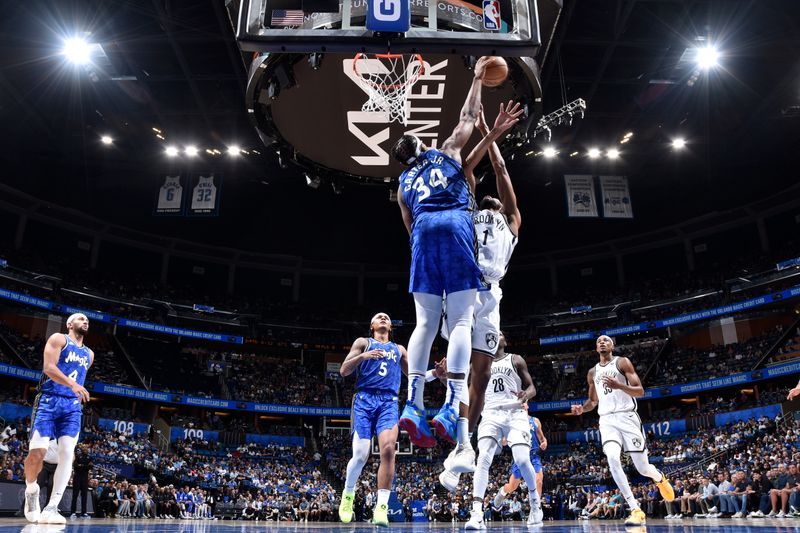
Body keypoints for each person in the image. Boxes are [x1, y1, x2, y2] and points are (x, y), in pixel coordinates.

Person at [393, 55, 524, 454]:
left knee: (424, 324)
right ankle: (452, 404)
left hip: (422, 240)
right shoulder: (446, 151)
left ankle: (413, 404)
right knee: (463, 320)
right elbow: (468, 116)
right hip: (453, 229)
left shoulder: (402, 184)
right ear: (423, 145)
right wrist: (476, 77)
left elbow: (411, 228)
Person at [439, 102, 523, 474]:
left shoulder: (512, 220)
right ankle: (452, 422)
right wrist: (488, 131)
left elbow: (500, 168)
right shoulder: (470, 210)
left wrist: (497, 134)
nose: (490, 195)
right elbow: (466, 169)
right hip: (463, 288)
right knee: (460, 366)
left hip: (492, 297)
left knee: (484, 375)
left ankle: (464, 444)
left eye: (495, 197)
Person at [570, 335, 674, 525]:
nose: (602, 342)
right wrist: (581, 409)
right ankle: (635, 509)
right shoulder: (592, 372)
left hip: (627, 417)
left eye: (606, 340)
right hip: (607, 420)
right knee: (612, 458)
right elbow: (593, 401)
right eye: (599, 341)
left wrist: (619, 385)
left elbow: (640, 391)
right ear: (595, 347)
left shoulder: (622, 362)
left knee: (643, 469)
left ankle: (659, 478)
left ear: (612, 345)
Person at [460, 333, 543, 529]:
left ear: (505, 341)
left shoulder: (515, 359)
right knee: (483, 459)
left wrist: (525, 394)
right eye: (494, 333)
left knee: (523, 460)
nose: (498, 335)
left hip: (515, 413)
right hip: (490, 413)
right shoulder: (479, 365)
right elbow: (466, 392)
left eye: (501, 334)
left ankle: (535, 503)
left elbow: (532, 387)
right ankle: (477, 512)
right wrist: (446, 379)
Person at [337, 313, 412, 527]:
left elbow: (415, 375)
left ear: (390, 326)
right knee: (360, 455)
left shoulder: (399, 349)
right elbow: (343, 371)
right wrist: (363, 357)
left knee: (388, 450)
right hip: (364, 399)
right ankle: (348, 495)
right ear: (372, 325)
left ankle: (381, 508)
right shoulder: (363, 343)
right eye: (378, 317)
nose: (382, 318)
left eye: (386, 317)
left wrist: (436, 372)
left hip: (388, 401)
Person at [24, 313, 93, 524]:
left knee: (67, 453)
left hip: (71, 406)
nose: (86, 321)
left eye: (87, 320)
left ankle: (52, 508)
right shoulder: (58, 339)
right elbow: (49, 368)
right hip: (48, 400)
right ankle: (31, 489)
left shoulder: (89, 354)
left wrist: (73, 389)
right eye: (81, 319)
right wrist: (72, 385)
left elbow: (78, 377)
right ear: (70, 324)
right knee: (38, 453)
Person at [492, 416, 546, 509]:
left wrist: (544, 442)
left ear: (527, 405)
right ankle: (502, 492)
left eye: (524, 403)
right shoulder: (512, 422)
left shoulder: (535, 421)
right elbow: (504, 442)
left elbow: (542, 438)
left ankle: (536, 508)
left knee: (539, 481)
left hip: (533, 456)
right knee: (512, 486)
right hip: (520, 455)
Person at [70, 444, 92, 518]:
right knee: (75, 495)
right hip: (77, 477)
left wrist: (81, 465)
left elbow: (90, 466)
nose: (86, 449)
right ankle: (73, 512)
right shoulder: (77, 456)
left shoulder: (89, 457)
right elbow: (76, 466)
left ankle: (84, 513)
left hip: (85, 478)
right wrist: (85, 466)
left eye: (87, 448)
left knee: (84, 496)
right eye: (85, 448)